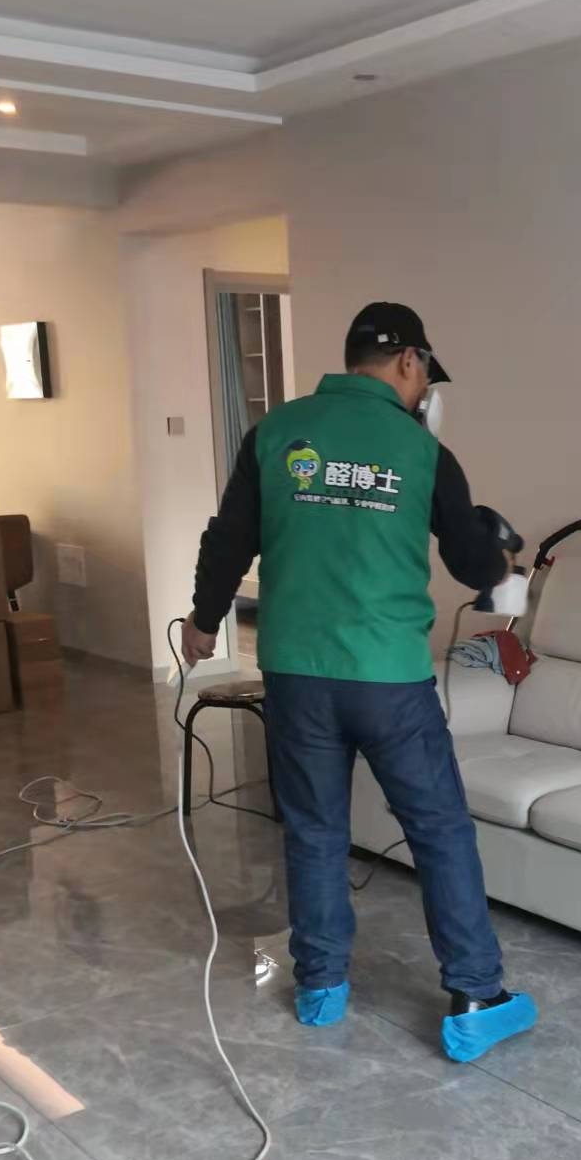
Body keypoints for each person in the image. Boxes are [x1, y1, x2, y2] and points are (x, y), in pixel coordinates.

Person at [182, 302, 537, 1063]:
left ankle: (320, 988)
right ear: (410, 362)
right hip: (388, 678)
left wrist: (204, 620)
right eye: (424, 375)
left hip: (296, 671)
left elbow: (229, 537)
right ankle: (476, 997)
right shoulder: (421, 450)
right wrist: (498, 554)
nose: (424, 390)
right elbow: (472, 566)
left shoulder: (276, 432)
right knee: (438, 831)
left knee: (314, 829)